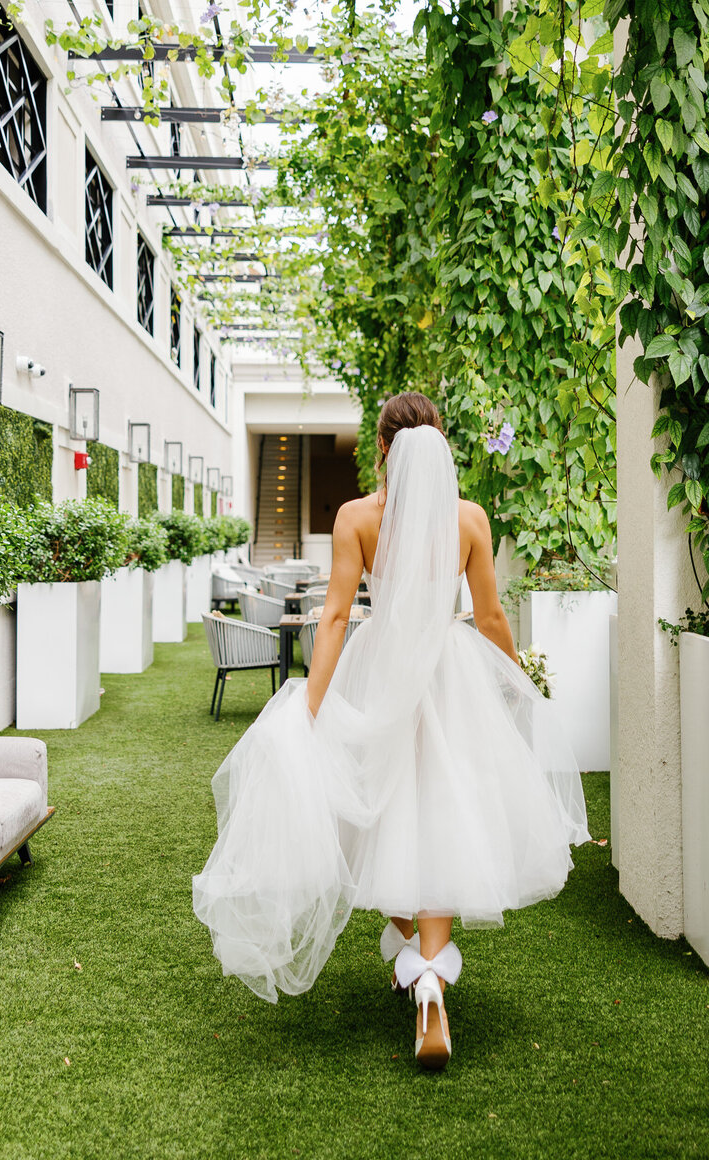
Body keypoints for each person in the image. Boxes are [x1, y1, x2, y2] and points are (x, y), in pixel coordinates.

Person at [192, 392, 589, 1070]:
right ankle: (428, 976)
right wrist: (516, 683)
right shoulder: (468, 519)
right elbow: (490, 616)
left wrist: (313, 709)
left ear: (381, 450)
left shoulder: (357, 518)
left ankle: (417, 960)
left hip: (378, 672)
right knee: (441, 813)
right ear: (440, 448)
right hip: (449, 671)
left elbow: (338, 618)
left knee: (381, 814)